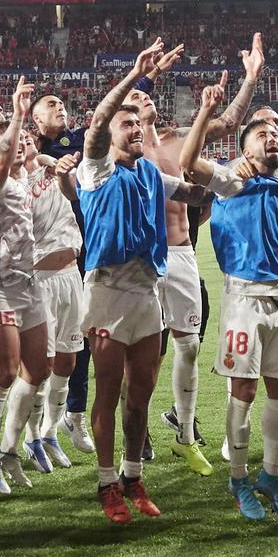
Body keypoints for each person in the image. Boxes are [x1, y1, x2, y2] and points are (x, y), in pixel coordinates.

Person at [72, 41, 210, 524]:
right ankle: (107, 483)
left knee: (141, 393)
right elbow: (94, 127)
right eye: (125, 123)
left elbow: (192, 190)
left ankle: (133, 476)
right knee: (107, 392)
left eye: (137, 123)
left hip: (147, 291)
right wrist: (134, 75)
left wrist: (239, 183)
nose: (134, 129)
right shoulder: (94, 169)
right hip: (107, 291)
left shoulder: (151, 171)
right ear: (109, 132)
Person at [139, 34, 262, 472]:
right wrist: (148, 72)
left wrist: (250, 79)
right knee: (144, 352)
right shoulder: (125, 148)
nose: (145, 104)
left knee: (188, 346)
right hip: (141, 261)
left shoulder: (177, 140)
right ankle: (137, 432)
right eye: (137, 100)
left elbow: (229, 124)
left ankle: (186, 434)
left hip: (183, 253)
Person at [0, 80, 51, 493]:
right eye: (7, 138)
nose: (16, 143)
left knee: (38, 369)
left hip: (28, 284)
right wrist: (18, 114)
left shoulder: (24, 178)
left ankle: (8, 447)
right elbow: (0, 165)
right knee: (3, 373)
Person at [30, 91, 94, 454]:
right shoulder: (24, 151)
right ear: (34, 120)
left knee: (78, 344)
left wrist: (144, 79)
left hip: (82, 251)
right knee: (34, 355)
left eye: (62, 104)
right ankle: (22, 431)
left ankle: (72, 417)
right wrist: (40, 157)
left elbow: (104, 120)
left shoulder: (79, 141)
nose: (61, 108)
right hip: (32, 264)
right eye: (51, 105)